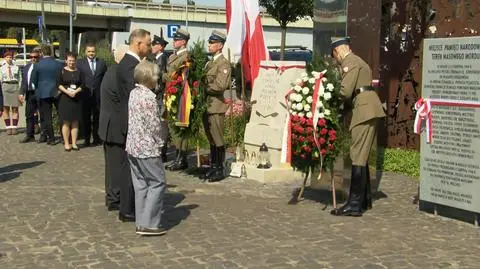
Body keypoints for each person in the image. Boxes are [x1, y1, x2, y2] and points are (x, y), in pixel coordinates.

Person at [329, 37, 386, 217]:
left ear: (338, 51)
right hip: (368, 108)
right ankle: (364, 200)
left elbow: (345, 92)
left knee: (357, 155)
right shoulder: (359, 61)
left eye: (334, 56)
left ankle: (354, 205)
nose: (336, 60)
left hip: (364, 111)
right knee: (361, 154)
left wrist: (328, 95)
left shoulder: (350, 62)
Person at [126, 60, 167, 236]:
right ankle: (150, 223)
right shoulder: (149, 97)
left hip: (133, 146)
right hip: (147, 147)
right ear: (149, 77)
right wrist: (160, 143)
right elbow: (154, 126)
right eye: (156, 75)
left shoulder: (133, 93)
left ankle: (141, 222)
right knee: (157, 182)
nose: (157, 78)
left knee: (141, 184)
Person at [115, 29, 152, 222]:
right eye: (148, 43)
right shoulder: (130, 66)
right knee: (132, 167)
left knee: (132, 166)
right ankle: (127, 208)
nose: (150, 47)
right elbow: (137, 94)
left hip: (129, 120)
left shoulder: (130, 63)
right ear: (138, 44)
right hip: (132, 122)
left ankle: (128, 204)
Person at [201, 30, 231, 182]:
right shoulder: (210, 62)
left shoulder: (223, 64)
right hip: (207, 106)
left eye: (212, 43)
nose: (209, 45)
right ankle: (213, 166)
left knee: (218, 139)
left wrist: (203, 86)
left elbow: (220, 85)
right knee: (211, 138)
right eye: (210, 42)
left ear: (220, 45)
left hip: (216, 107)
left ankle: (220, 168)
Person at [98, 49, 126, 212]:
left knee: (112, 165)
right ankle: (114, 198)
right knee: (116, 164)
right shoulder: (117, 74)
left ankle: (112, 195)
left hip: (109, 125)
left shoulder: (112, 70)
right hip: (114, 126)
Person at [164, 28, 191, 171]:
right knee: (173, 128)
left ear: (184, 42)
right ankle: (177, 156)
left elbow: (181, 78)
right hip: (171, 94)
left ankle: (182, 157)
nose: (173, 41)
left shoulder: (186, 57)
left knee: (181, 127)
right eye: (174, 39)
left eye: (176, 39)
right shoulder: (172, 56)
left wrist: (162, 76)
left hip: (180, 95)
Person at [31, 44, 63, 145]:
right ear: (51, 52)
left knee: (47, 116)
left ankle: (52, 138)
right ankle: (64, 136)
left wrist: (39, 87)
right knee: (61, 114)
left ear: (41, 53)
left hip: (43, 92)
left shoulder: (37, 65)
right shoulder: (58, 64)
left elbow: (33, 80)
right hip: (57, 91)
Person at [77, 43, 107, 147]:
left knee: (97, 118)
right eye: (89, 51)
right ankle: (86, 139)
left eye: (93, 51)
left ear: (96, 52)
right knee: (85, 118)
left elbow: (104, 79)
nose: (91, 53)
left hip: (98, 95)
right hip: (85, 95)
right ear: (85, 52)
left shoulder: (102, 63)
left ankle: (96, 138)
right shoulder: (80, 63)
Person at [57, 52, 84, 151]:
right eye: (69, 61)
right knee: (66, 122)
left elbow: (83, 85)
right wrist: (67, 92)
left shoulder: (79, 72)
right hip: (65, 99)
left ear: (76, 61)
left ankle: (74, 143)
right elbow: (58, 84)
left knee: (75, 122)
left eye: (73, 61)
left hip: (76, 99)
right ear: (66, 61)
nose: (71, 63)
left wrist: (76, 92)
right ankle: (66, 143)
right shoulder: (62, 71)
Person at [150, 35, 169, 162]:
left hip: (160, 96)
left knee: (161, 124)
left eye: (154, 44)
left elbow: (159, 81)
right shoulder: (156, 59)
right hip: (157, 95)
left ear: (160, 47)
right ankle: (160, 149)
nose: (152, 46)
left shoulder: (162, 59)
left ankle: (162, 151)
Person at [18, 48, 41, 143]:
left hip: (39, 92)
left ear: (39, 57)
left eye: (35, 57)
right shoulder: (27, 67)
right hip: (29, 93)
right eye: (31, 57)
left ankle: (44, 135)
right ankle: (29, 135)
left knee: (42, 114)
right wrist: (21, 93)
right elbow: (24, 82)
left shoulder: (41, 66)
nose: (33, 59)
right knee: (29, 114)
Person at [0, 51, 21, 135]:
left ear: (13, 58)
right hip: (5, 87)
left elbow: (20, 79)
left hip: (15, 86)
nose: (9, 58)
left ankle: (14, 127)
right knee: (6, 108)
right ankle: (8, 127)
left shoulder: (16, 67)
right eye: (7, 57)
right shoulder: (1, 68)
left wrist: (20, 90)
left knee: (15, 108)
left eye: (10, 57)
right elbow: (0, 80)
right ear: (5, 58)